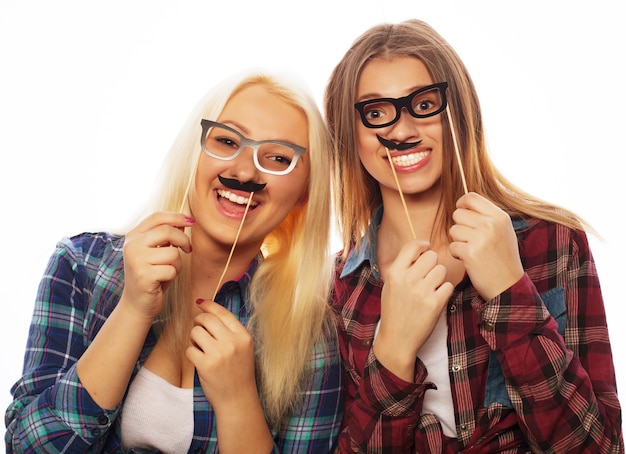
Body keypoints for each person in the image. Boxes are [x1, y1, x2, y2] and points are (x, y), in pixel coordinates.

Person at [324, 19, 623, 453]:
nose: (402, 131)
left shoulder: (554, 242)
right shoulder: (339, 289)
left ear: (458, 113)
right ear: (347, 135)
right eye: (375, 113)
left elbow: (600, 448)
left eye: (423, 104)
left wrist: (509, 291)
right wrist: (392, 351)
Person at [6, 69, 343, 453]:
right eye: (227, 141)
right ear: (195, 153)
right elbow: (28, 447)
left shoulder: (309, 336)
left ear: (305, 194)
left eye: (279, 158)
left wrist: (237, 402)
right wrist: (133, 310)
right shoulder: (82, 266)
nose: (245, 171)